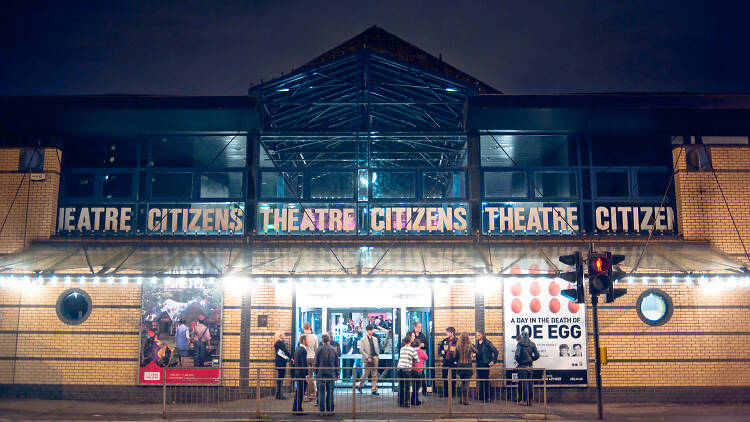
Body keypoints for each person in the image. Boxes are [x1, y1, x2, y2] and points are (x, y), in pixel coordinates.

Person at [513, 332, 540, 406]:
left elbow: (517, 355)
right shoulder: (532, 344)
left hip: (522, 366)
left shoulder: (520, 344)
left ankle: (524, 400)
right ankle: (530, 400)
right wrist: (531, 359)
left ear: (522, 336)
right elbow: (537, 355)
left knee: (523, 383)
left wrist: (518, 360)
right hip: (530, 366)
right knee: (530, 383)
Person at [314, 333, 338, 415]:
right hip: (331, 374)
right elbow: (336, 363)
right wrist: (337, 373)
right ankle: (330, 410)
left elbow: (316, 363)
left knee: (321, 392)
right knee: (330, 392)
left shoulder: (318, 350)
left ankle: (322, 411)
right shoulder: (334, 349)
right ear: (329, 339)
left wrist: (316, 372)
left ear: (322, 340)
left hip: (321, 374)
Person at [475, 330, 498, 402]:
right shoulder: (477, 342)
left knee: (485, 380)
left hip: (485, 364)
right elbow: (477, 351)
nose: (477, 336)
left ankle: (487, 397)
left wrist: (493, 361)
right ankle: (481, 396)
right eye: (477, 335)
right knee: (480, 380)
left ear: (482, 335)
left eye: (478, 335)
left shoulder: (487, 342)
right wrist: (474, 354)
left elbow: (495, 351)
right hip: (479, 364)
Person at [455, 333, 478, 405]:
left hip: (460, 366)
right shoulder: (469, 346)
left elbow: (455, 355)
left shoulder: (458, 346)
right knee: (466, 383)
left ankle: (461, 399)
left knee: (462, 382)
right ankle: (466, 400)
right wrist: (472, 343)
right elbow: (476, 351)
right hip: (468, 366)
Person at [357, 324, 380, 395]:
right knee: (366, 374)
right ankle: (359, 385)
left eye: (372, 330)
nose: (372, 331)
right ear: (367, 331)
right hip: (367, 359)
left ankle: (374, 389)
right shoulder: (363, 339)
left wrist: (377, 356)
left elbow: (377, 348)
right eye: (370, 330)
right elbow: (361, 350)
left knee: (374, 374)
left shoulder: (375, 339)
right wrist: (367, 357)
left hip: (375, 357)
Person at [396, 333, 417, 407]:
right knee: (407, 386)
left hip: (400, 368)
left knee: (401, 385)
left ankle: (400, 402)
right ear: (410, 341)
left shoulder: (402, 348)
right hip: (407, 369)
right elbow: (416, 359)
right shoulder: (412, 349)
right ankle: (406, 403)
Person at [438, 327, 458, 398]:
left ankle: (452, 394)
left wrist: (457, 361)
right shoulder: (445, 340)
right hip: (445, 361)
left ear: (452, 333)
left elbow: (459, 352)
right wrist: (441, 351)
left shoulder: (457, 341)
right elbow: (440, 348)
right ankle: (445, 393)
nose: (446, 333)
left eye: (448, 332)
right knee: (444, 377)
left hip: (453, 362)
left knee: (453, 378)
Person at [292, 335, 309, 415]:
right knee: (301, 392)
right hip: (302, 374)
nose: (308, 341)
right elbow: (303, 364)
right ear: (303, 341)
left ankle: (295, 408)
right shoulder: (303, 350)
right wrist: (306, 375)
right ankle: (299, 409)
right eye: (307, 340)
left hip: (297, 372)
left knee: (298, 391)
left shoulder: (297, 349)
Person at [302, 322, 318, 402]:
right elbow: (316, 348)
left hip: (306, 358)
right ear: (310, 328)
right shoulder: (315, 336)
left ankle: (311, 393)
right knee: (311, 376)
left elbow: (302, 348)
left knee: (308, 377)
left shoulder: (302, 337)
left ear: (304, 328)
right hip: (313, 357)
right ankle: (310, 393)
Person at [411, 321, 428, 395]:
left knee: (422, 374)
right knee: (414, 374)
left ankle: (424, 390)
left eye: (421, 326)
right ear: (414, 327)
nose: (420, 328)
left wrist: (423, 345)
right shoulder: (411, 334)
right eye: (419, 327)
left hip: (420, 357)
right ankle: (414, 392)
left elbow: (427, 345)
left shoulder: (422, 335)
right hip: (412, 357)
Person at [273, 331, 291, 400]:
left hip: (279, 362)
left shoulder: (278, 343)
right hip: (281, 362)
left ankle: (278, 394)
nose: (284, 335)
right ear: (280, 335)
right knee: (281, 378)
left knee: (280, 378)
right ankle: (280, 395)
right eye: (283, 334)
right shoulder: (280, 343)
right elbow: (285, 351)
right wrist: (291, 357)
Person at [411, 339, 427, 405]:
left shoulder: (412, 350)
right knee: (417, 386)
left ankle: (413, 399)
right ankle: (414, 400)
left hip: (412, 370)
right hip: (419, 370)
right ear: (419, 345)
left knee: (414, 386)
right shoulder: (420, 351)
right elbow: (426, 357)